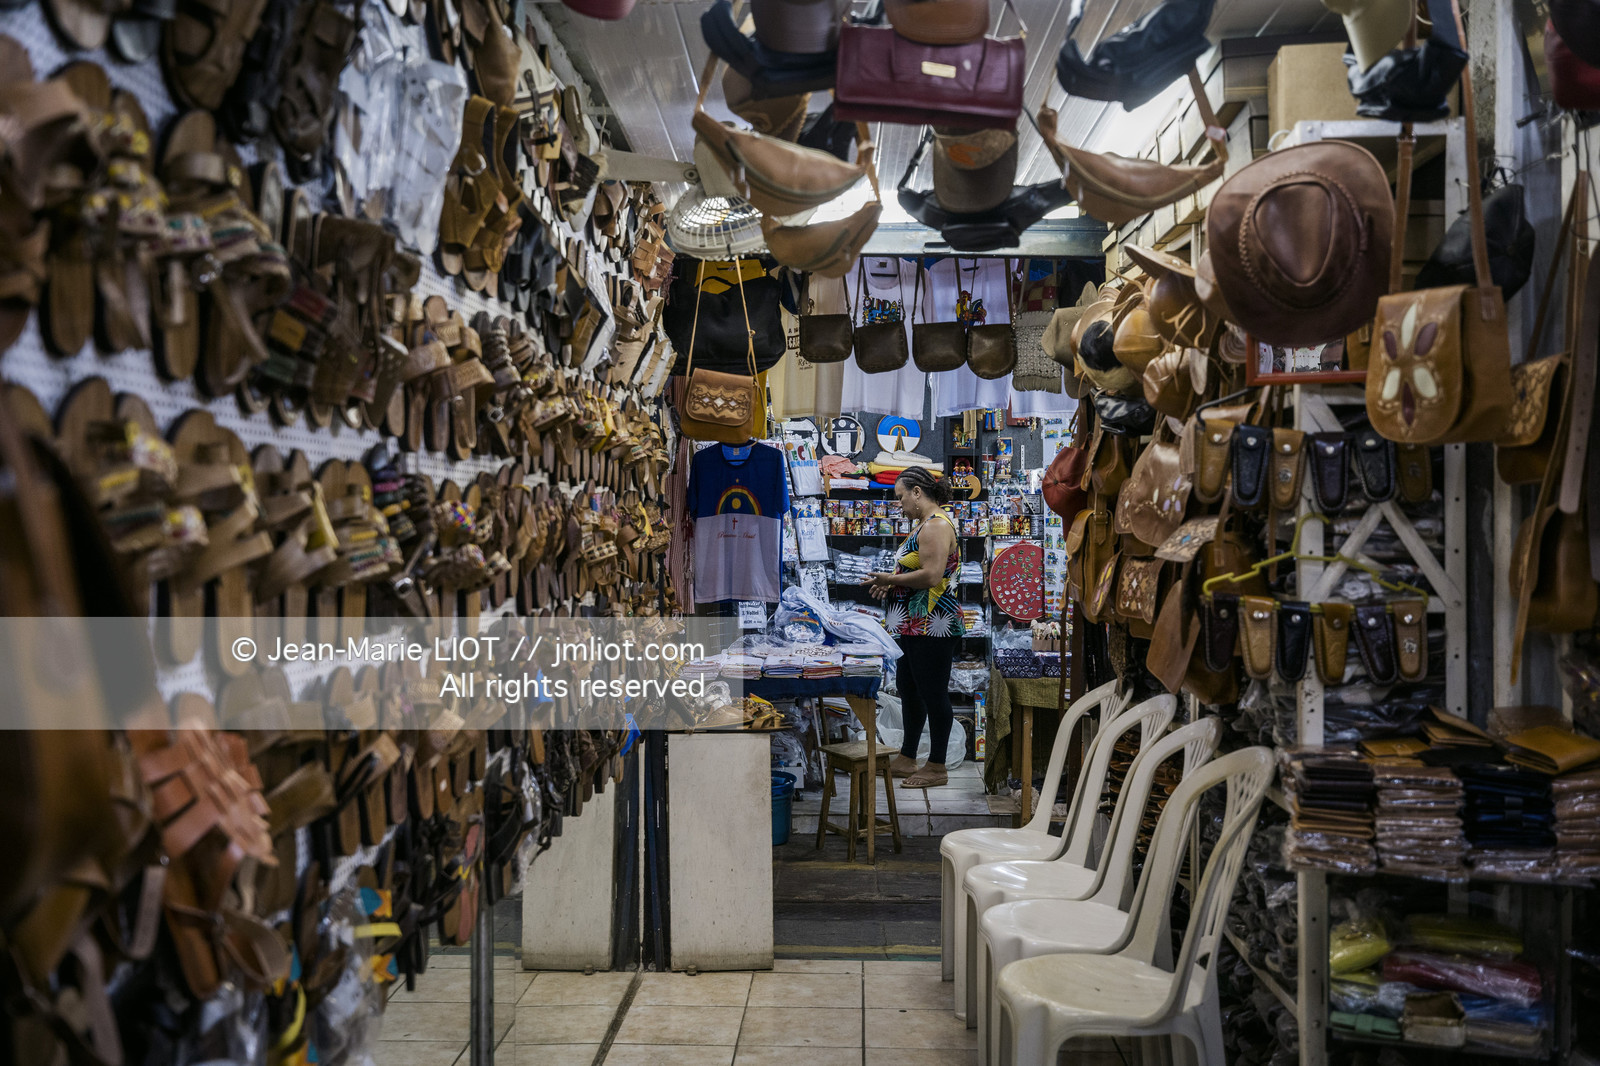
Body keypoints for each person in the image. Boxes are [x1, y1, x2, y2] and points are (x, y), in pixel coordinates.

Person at [868, 466, 965, 789]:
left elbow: (932, 575)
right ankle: (908, 756)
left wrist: (891, 579)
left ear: (917, 492)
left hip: (932, 625)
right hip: (913, 624)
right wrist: (890, 585)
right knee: (909, 688)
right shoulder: (924, 524)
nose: (899, 504)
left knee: (933, 692)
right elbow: (916, 572)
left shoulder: (936, 526)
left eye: (901, 497)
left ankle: (936, 765)